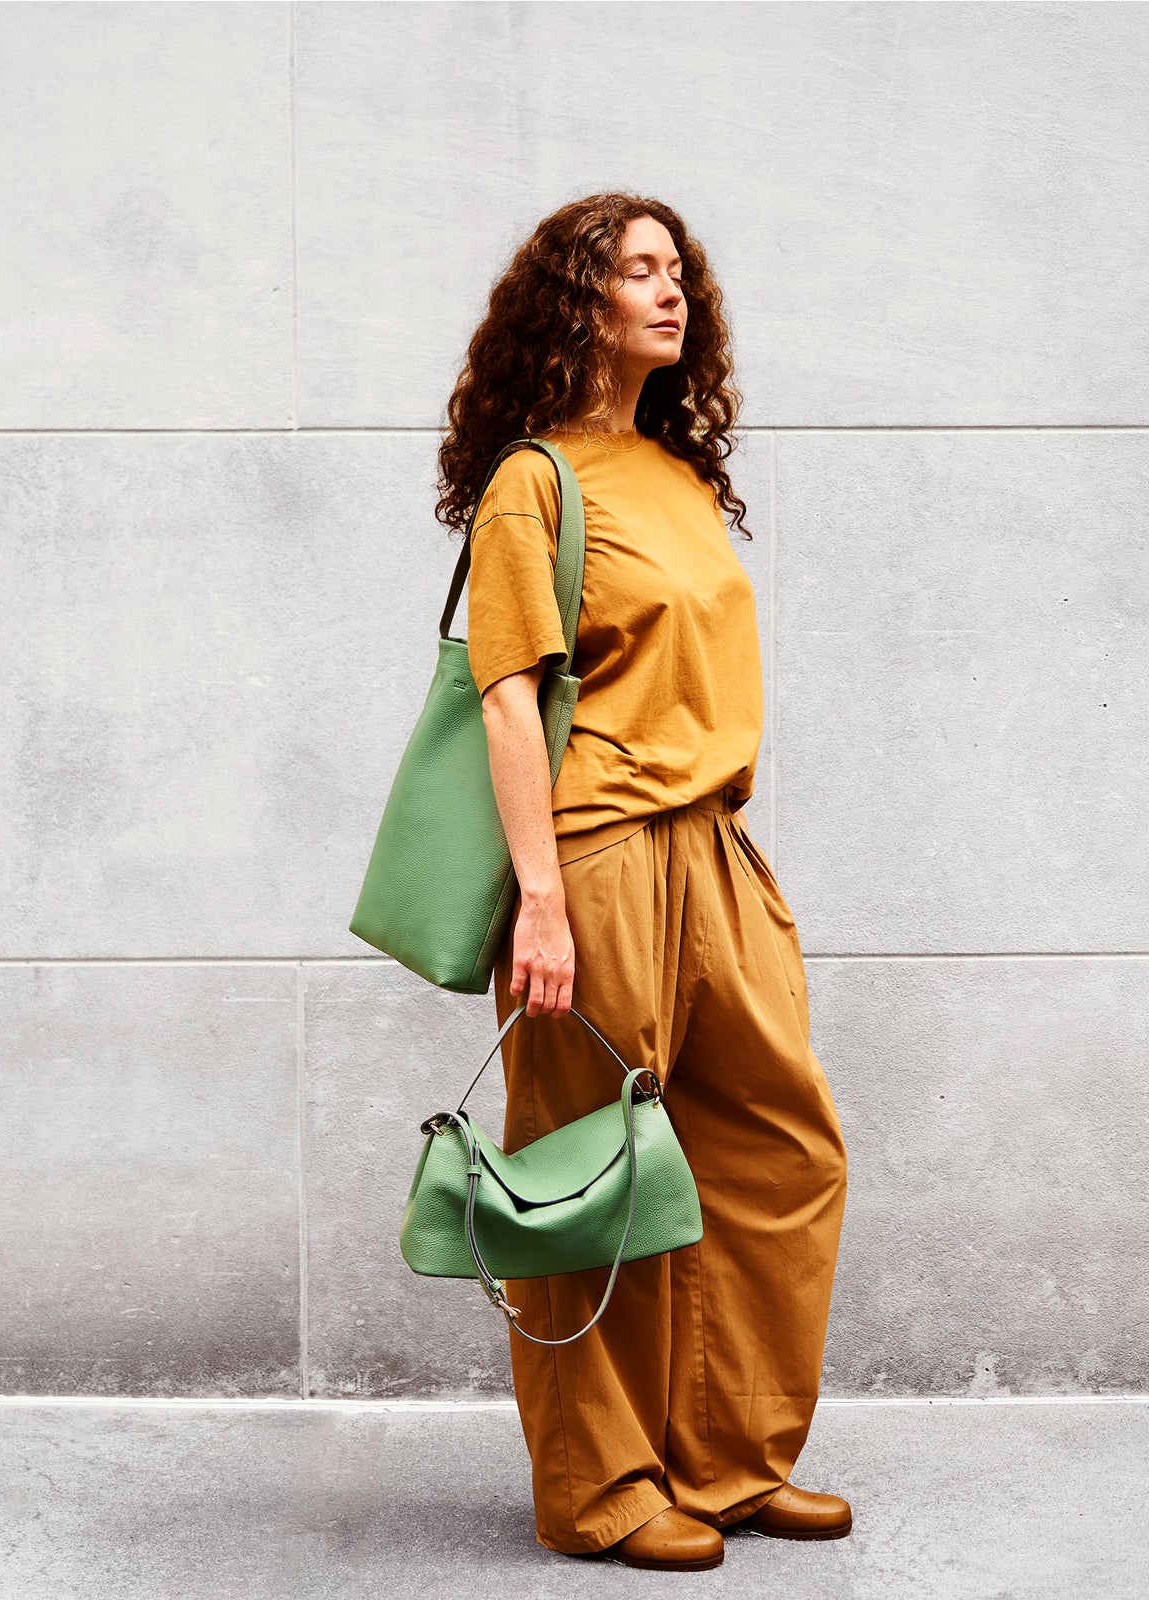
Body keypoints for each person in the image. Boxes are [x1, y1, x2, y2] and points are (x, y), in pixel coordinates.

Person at [435, 193, 851, 1573]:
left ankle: (729, 1460)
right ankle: (603, 1485)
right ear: (580, 302)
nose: (670, 291)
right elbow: (508, 697)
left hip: (713, 846)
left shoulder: (677, 475)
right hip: (597, 851)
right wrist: (541, 901)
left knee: (776, 1147)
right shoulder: (535, 482)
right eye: (636, 271)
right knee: (591, 1168)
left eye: (678, 270)